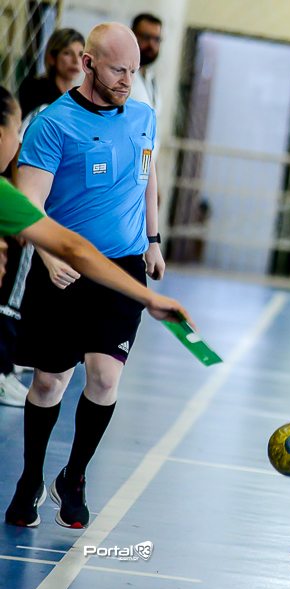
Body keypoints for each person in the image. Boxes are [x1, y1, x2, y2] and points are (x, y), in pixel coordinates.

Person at [0, 84, 194, 526]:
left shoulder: (143, 118)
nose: (126, 78)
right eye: (117, 69)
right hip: (64, 267)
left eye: (132, 70)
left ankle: (74, 478)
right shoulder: (53, 123)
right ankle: (30, 478)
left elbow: (148, 174)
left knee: (105, 377)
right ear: (91, 66)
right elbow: (31, 206)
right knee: (49, 382)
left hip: (122, 266)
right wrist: (49, 256)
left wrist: (153, 240)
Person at [0, 28, 86, 408]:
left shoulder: (72, 103)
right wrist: (21, 206)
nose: (75, 61)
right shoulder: (39, 100)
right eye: (67, 53)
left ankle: (9, 359)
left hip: (45, 208)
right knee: (13, 286)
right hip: (24, 206)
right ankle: (2, 369)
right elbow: (18, 153)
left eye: (79, 53)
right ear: (52, 57)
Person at [130, 14, 162, 117]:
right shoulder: (119, 74)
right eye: (146, 37)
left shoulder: (150, 77)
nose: (151, 44)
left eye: (156, 39)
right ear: (132, 36)